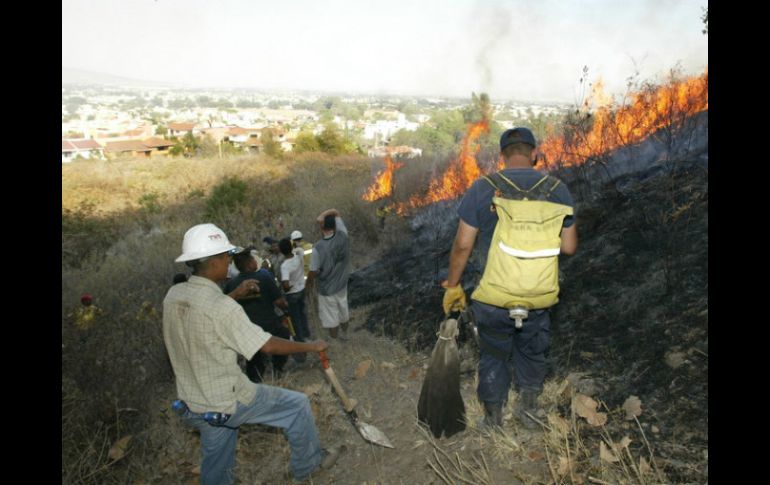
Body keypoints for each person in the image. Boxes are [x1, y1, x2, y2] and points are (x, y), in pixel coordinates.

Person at [163, 223, 339, 484]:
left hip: (194, 403)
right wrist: (311, 346)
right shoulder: (222, 308)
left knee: (217, 465)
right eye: (226, 256)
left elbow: (206, 311)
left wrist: (235, 293)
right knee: (297, 406)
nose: (229, 261)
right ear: (214, 261)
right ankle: (309, 466)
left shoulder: (174, 295)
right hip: (228, 399)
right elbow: (266, 345)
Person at [442, 127, 578, 431]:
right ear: (534, 154)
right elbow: (569, 247)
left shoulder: (483, 188)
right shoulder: (557, 189)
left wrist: (452, 285)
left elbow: (463, 245)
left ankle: (493, 419)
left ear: (502, 156)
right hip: (539, 293)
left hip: (493, 294)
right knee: (532, 351)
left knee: (493, 353)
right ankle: (529, 412)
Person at [223, 246, 296, 382]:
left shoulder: (231, 284)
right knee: (284, 336)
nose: (255, 262)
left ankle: (255, 380)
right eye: (253, 259)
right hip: (269, 325)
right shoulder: (264, 277)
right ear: (249, 263)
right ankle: (277, 369)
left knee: (253, 357)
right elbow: (279, 302)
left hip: (246, 329)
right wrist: (287, 308)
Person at [307, 209, 351, 340]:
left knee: (331, 318)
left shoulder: (318, 248)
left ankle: (335, 341)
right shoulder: (343, 235)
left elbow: (313, 271)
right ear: (335, 226)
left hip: (326, 289)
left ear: (322, 227)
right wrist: (322, 216)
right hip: (342, 284)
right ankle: (345, 335)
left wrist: (308, 284)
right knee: (343, 311)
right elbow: (336, 212)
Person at [280, 237, 311, 342]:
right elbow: (298, 248)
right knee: (302, 313)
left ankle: (301, 339)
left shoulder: (285, 266)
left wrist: (287, 288)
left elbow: (285, 285)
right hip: (302, 289)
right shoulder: (299, 255)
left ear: (281, 251)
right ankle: (307, 334)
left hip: (292, 294)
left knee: (295, 318)